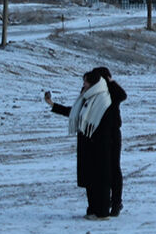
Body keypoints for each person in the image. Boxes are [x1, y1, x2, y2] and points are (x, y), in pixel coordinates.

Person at [46, 69, 118, 220]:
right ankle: (92, 210)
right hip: (86, 143)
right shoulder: (85, 98)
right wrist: (53, 105)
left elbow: (108, 123)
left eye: (86, 81)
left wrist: (98, 139)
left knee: (101, 179)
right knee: (89, 178)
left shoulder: (104, 99)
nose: (83, 84)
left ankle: (103, 211)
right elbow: (75, 113)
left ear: (93, 83)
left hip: (100, 145)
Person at [92, 66, 127, 217]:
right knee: (103, 169)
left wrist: (111, 82)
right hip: (99, 134)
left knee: (114, 168)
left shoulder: (112, 92)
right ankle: (105, 202)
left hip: (113, 133)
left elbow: (122, 95)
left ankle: (116, 202)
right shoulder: (94, 93)